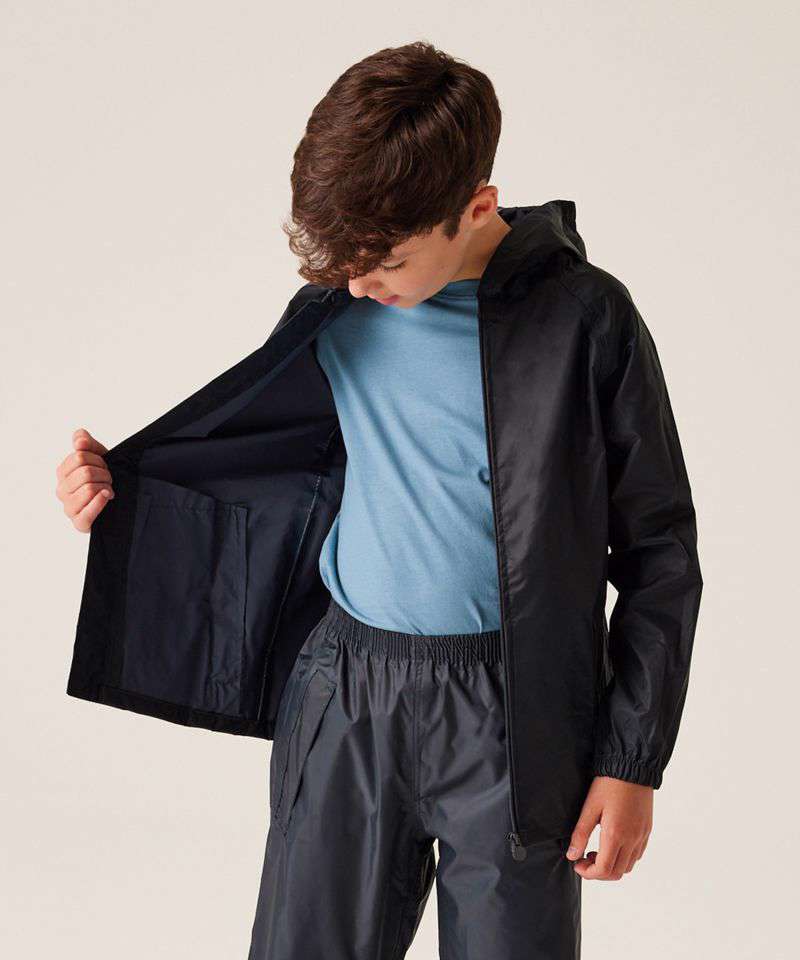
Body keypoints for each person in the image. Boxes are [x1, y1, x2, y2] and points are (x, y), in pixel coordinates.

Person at [55, 40, 703, 960]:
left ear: (476, 207)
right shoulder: (339, 308)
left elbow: (660, 552)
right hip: (348, 693)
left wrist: (630, 761)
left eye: (385, 263)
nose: (360, 283)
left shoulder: (586, 322)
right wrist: (118, 496)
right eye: (347, 265)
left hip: (519, 715)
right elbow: (260, 463)